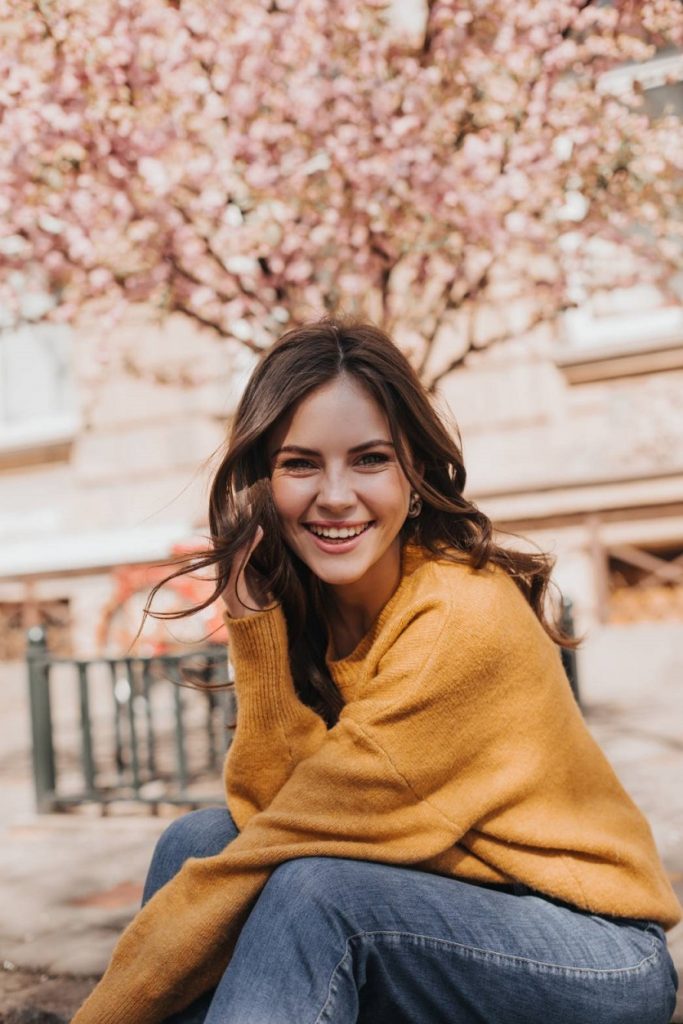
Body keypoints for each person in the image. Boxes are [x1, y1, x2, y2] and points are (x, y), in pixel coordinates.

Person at [72, 319, 680, 1024]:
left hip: (591, 949)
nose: (334, 495)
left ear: (413, 473)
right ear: (263, 483)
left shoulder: (457, 618)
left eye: (368, 460)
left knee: (316, 894)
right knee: (196, 844)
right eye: (300, 464)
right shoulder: (316, 608)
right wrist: (257, 628)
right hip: (451, 902)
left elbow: (295, 832)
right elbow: (275, 810)